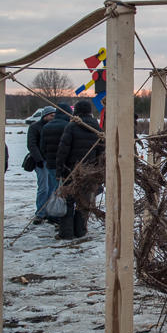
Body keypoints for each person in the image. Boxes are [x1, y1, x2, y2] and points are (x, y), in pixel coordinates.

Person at [55, 99, 103, 239]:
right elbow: (101, 151)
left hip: (71, 170)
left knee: (68, 202)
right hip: (90, 171)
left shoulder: (72, 127)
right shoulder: (97, 129)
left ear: (76, 111)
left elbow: (63, 150)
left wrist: (59, 171)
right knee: (84, 203)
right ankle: (81, 230)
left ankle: (67, 232)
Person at [39, 103, 72, 222]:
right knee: (66, 191)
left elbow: (42, 147)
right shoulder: (68, 126)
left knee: (53, 188)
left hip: (51, 163)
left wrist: (48, 157)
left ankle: (52, 213)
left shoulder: (46, 127)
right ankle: (61, 215)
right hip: (66, 164)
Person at [27, 106, 56, 223]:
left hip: (51, 161)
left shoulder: (54, 127)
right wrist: (38, 159)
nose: (53, 118)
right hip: (41, 162)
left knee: (52, 188)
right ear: (45, 116)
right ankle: (40, 212)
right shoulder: (35, 127)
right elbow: (32, 144)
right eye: (51, 115)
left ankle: (49, 211)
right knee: (43, 187)